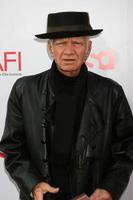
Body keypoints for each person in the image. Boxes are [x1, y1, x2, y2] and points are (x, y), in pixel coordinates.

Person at [0, 11, 133, 200]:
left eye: (77, 43)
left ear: (88, 48)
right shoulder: (24, 90)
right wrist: (34, 185)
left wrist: (109, 188)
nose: (69, 51)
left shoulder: (111, 93)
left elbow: (127, 148)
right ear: (50, 48)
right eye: (61, 43)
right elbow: (12, 148)